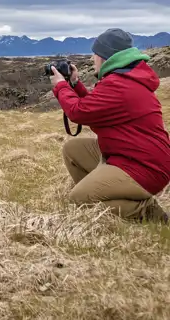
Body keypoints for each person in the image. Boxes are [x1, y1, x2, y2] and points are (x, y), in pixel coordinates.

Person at [50, 28, 170, 223]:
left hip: (144, 167)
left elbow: (78, 112)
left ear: (104, 56)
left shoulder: (119, 84)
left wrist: (61, 86)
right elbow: (95, 108)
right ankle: (101, 195)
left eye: (95, 54)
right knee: (73, 150)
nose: (92, 59)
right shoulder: (123, 79)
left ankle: (146, 211)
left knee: (77, 199)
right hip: (128, 155)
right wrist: (75, 84)